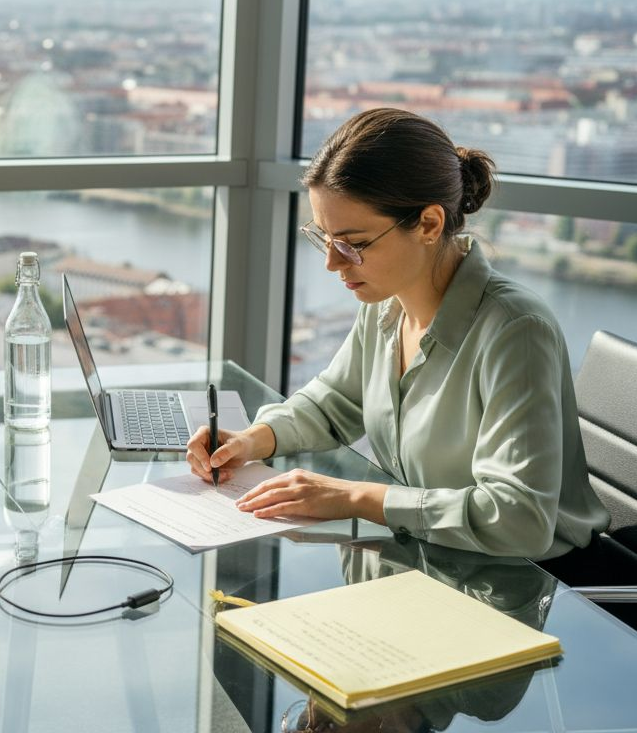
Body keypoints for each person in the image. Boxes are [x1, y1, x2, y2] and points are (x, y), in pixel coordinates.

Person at [185, 107, 611, 565]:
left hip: (525, 581)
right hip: (424, 562)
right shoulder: (387, 303)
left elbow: (519, 519)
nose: (333, 262)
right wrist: (254, 439)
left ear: (429, 224)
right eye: (323, 237)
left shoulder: (516, 332)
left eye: (353, 244)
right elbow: (335, 403)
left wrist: (357, 497)